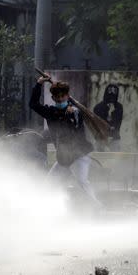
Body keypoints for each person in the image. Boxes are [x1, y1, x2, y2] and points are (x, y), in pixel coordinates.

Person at [29, 75, 101, 208]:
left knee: (82, 182)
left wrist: (71, 115)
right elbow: (33, 104)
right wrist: (39, 83)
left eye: (63, 96)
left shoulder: (76, 112)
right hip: (63, 157)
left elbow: (75, 131)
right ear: (53, 98)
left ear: (67, 96)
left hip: (79, 155)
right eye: (57, 97)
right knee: (49, 183)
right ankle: (49, 206)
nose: (60, 99)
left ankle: (98, 207)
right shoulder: (51, 112)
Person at [93, 84, 124, 150]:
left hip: (114, 138)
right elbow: (97, 124)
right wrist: (106, 109)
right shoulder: (98, 107)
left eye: (114, 94)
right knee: (100, 157)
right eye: (109, 94)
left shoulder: (119, 107)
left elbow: (117, 123)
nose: (111, 98)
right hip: (100, 138)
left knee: (115, 158)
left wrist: (112, 112)